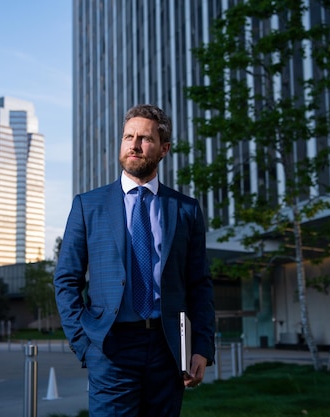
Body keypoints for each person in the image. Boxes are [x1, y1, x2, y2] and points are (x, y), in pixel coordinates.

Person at [54, 104, 215, 417]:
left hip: (170, 348)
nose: (134, 144)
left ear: (164, 148)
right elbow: (66, 279)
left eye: (145, 138)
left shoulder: (186, 210)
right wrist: (85, 344)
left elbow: (199, 285)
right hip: (111, 348)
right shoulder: (88, 206)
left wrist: (201, 348)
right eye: (128, 136)